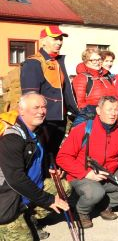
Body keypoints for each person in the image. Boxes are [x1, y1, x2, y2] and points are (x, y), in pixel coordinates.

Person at [56, 96, 118, 229]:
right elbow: (62, 157)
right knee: (95, 193)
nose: (113, 113)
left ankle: (103, 205)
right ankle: (82, 211)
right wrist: (86, 173)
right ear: (98, 110)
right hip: (81, 174)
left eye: (116, 109)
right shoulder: (83, 129)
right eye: (109, 109)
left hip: (107, 174)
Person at [0, 93, 70, 240]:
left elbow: (36, 157)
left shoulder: (38, 129)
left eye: (44, 107)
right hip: (7, 199)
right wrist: (49, 200)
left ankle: (29, 217)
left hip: (27, 190)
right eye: (36, 107)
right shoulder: (11, 138)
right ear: (21, 110)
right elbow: (15, 179)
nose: (41, 111)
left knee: (64, 187)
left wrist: (48, 170)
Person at [20, 25, 78, 157]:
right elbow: (30, 96)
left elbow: (66, 92)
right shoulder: (34, 63)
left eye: (60, 39)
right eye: (55, 39)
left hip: (60, 119)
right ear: (43, 40)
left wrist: (76, 113)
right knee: (40, 155)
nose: (59, 42)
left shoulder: (59, 61)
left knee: (53, 154)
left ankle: (51, 177)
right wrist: (36, 117)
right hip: (44, 119)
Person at [72, 48, 117, 127]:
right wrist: (97, 114)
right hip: (91, 119)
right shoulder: (82, 78)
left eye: (99, 59)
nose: (97, 62)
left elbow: (115, 96)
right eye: (93, 60)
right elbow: (80, 104)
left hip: (110, 117)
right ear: (86, 61)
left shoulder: (107, 76)